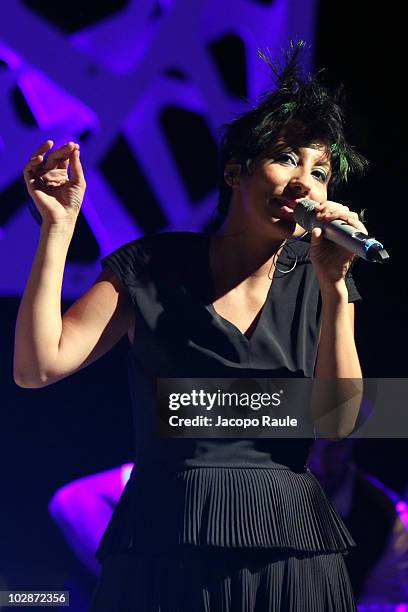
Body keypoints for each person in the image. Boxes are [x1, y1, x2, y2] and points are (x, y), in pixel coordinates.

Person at [14, 42, 369, 611]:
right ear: (235, 171)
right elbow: (38, 367)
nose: (306, 182)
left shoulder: (321, 279)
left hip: (289, 551)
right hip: (167, 539)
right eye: (287, 158)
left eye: (321, 171)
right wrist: (58, 227)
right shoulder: (152, 267)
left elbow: (341, 422)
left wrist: (335, 287)